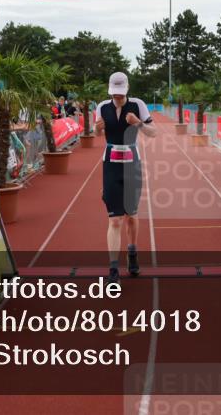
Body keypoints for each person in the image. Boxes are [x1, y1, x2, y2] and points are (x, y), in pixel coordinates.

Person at [94, 72, 156, 284]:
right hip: (110, 163)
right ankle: (113, 269)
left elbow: (153, 132)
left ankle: (132, 253)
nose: (118, 98)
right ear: (110, 90)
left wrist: (138, 123)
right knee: (115, 219)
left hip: (132, 164)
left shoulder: (138, 105)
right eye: (114, 94)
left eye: (121, 94)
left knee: (131, 215)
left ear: (127, 89)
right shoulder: (102, 107)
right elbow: (96, 134)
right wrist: (96, 129)